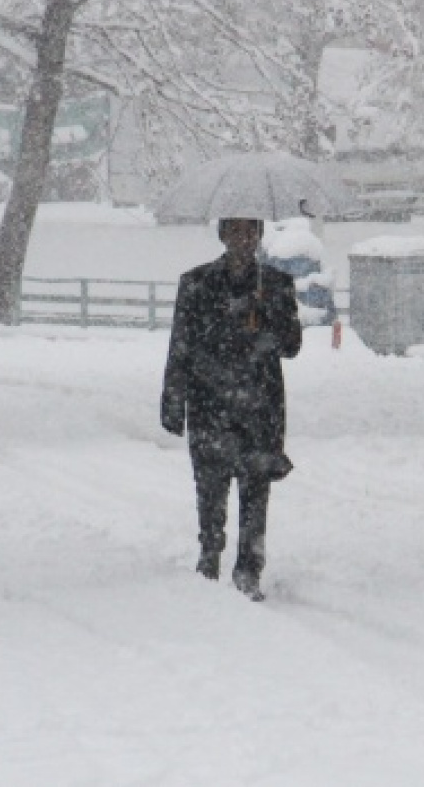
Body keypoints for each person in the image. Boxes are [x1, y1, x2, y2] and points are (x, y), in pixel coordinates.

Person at [161, 217, 303, 601]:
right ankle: (209, 554)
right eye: (235, 231)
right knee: (210, 485)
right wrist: (173, 400)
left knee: (255, 490)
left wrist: (265, 313)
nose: (243, 239)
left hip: (259, 405)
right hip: (209, 401)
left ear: (259, 236)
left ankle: (249, 568)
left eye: (250, 231)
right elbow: (181, 345)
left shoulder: (276, 285)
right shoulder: (196, 283)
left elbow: (291, 345)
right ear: (222, 235)